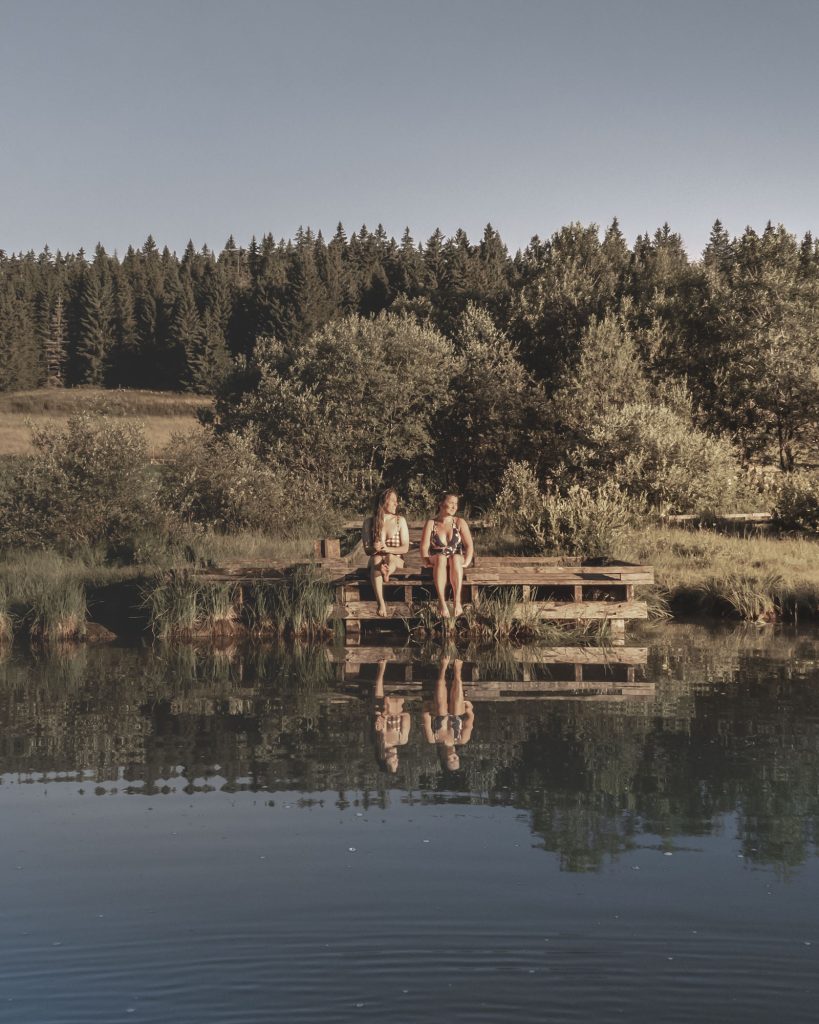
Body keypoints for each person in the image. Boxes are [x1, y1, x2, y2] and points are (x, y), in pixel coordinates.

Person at [419, 492, 474, 618]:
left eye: (456, 504)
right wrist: (425, 560)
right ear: (441, 504)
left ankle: (457, 601)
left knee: (455, 558)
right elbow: (424, 546)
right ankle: (442, 602)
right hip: (437, 557)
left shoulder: (459, 522)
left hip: (456, 556)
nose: (454, 506)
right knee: (441, 557)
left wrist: (467, 561)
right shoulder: (431, 523)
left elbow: (469, 545)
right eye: (451, 503)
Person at [362, 488, 410, 617]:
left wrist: (387, 549)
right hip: (376, 561)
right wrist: (374, 548)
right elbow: (367, 550)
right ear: (383, 502)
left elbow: (405, 548)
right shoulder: (369, 522)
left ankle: (387, 572)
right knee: (376, 559)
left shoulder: (400, 520)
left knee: (389, 557)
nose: (396, 503)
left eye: (396, 501)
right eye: (393, 500)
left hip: (396, 560)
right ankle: (381, 602)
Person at [422, 656, 474, 772]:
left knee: (441, 710)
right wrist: (470, 709)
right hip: (457, 709)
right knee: (456, 712)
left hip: (438, 709)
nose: (453, 759)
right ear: (458, 757)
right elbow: (469, 723)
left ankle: (443, 669)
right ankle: (457, 672)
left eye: (450, 761)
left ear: (443, 759)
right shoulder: (462, 739)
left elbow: (426, 720)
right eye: (456, 760)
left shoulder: (433, 739)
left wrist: (426, 707)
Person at [372, 657, 411, 774]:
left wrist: (384, 714)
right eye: (397, 762)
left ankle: (381, 670)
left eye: (393, 762)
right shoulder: (402, 740)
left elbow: (378, 719)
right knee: (390, 706)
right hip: (397, 706)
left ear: (383, 757)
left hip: (383, 706)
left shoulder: (377, 738)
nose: (396, 759)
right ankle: (386, 670)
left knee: (380, 707)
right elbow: (407, 716)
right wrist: (390, 712)